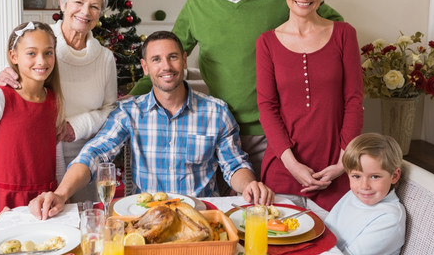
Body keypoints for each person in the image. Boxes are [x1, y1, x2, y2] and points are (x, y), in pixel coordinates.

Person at [129, 0, 344, 184]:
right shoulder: (198, 1)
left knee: (272, 211)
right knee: (230, 211)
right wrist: (133, 95)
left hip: (276, 131)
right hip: (220, 129)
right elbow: (166, 56)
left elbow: (332, 24)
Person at [29, 31, 275, 220]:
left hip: (201, 218)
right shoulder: (129, 112)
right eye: (156, 59)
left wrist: (250, 185)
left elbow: (234, 165)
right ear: (145, 67)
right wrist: (61, 194)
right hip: (146, 219)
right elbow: (94, 154)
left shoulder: (216, 111)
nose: (166, 66)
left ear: (184, 60)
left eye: (172, 57)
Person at [0, 0, 118, 203]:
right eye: (78, 2)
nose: (85, 12)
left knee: (80, 224)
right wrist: (1, 79)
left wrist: (76, 126)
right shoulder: (40, 44)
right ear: (62, 2)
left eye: (94, 6)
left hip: (83, 157)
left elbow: (110, 110)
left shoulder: (104, 59)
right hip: (36, 151)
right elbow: (13, 88)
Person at [256, 0, 364, 211]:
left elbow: (354, 100)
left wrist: (342, 164)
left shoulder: (344, 34)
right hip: (282, 172)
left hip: (335, 172)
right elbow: (267, 107)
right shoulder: (267, 42)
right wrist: (293, 166)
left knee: (335, 251)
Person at [0, 22, 64, 249]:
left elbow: (56, 155)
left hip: (42, 205)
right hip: (3, 205)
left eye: (48, 53)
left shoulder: (53, 100)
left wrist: (60, 196)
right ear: (13, 56)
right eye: (32, 53)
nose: (42, 61)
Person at [324, 133, 406, 255]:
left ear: (394, 176)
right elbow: (326, 232)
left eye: (374, 177)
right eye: (356, 176)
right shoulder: (354, 195)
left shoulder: (390, 219)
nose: (364, 186)